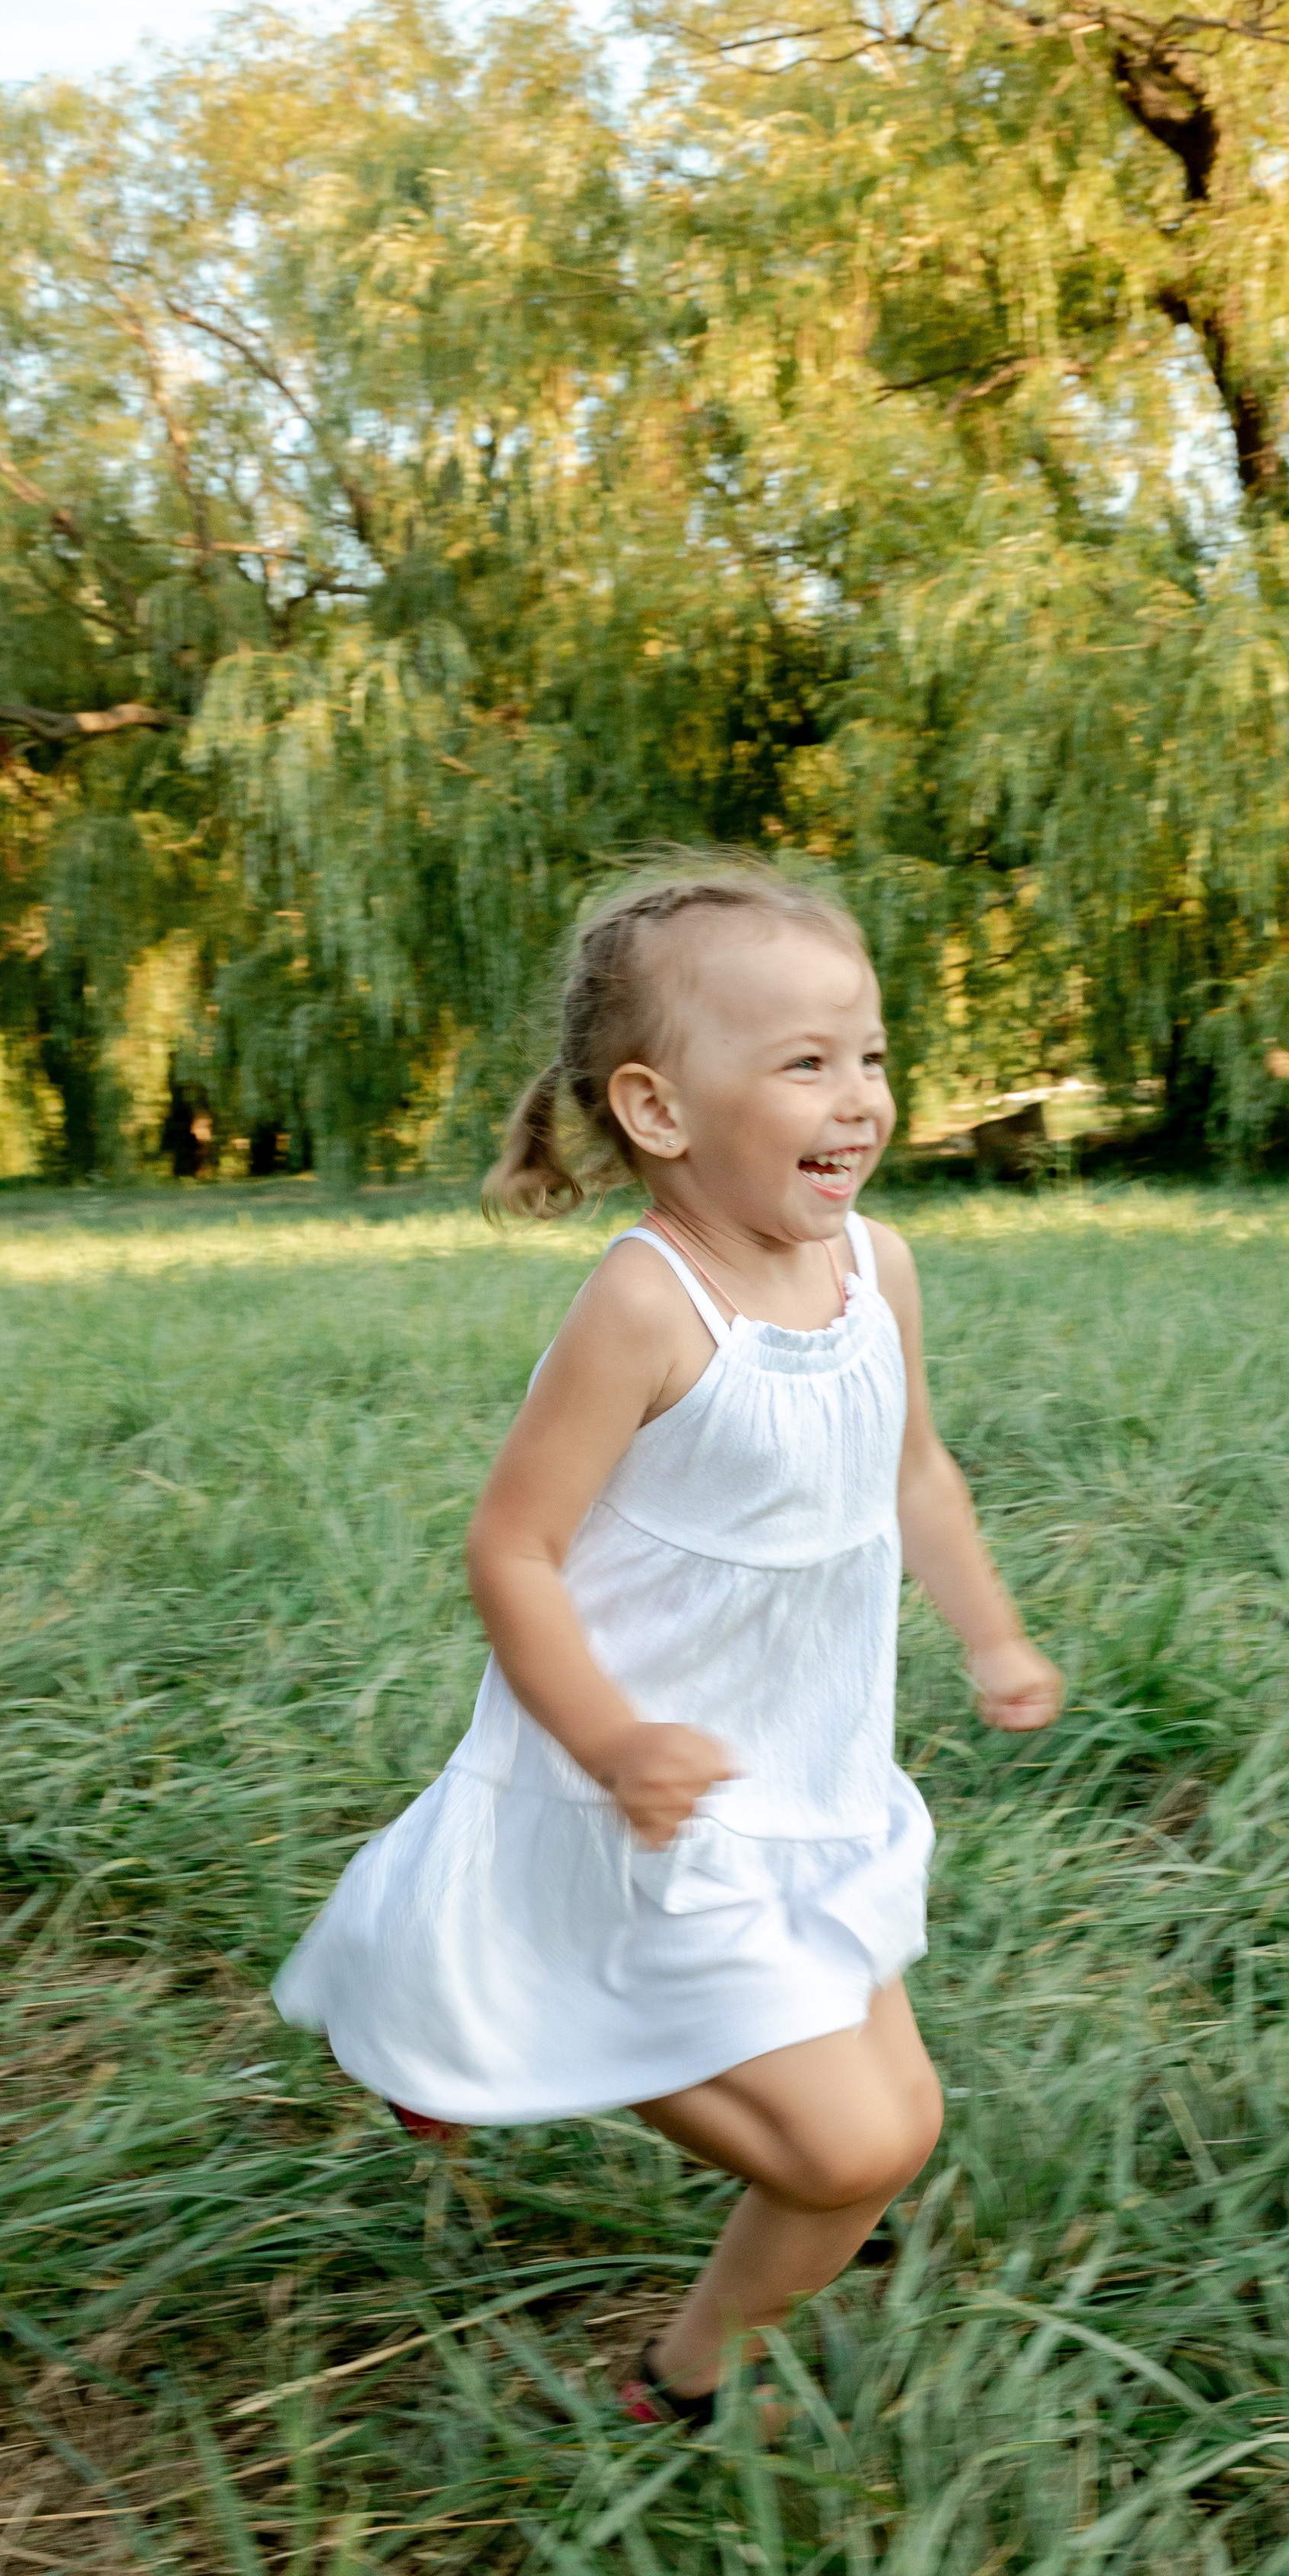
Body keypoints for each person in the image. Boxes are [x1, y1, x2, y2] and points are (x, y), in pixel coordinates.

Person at [273, 856, 1063, 2425]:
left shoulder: (873, 1269)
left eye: (871, 1056)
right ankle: (670, 2346)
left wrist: (991, 1636)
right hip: (643, 1790)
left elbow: (911, 1468)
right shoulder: (646, 1304)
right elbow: (512, 1546)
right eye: (802, 1064)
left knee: (894, 2120)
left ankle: (483, 2057)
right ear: (656, 1110)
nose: (858, 1101)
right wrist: (615, 1745)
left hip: (806, 1774)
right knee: (852, 2147)